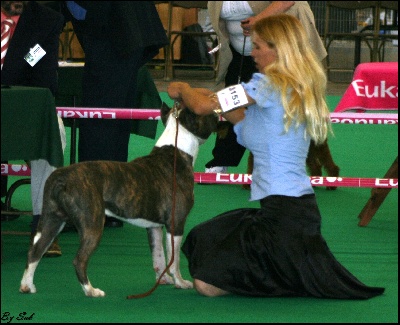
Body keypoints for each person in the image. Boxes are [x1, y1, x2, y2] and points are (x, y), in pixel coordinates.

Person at [167, 14, 385, 299]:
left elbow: (202, 106)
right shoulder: (285, 89)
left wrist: (181, 87)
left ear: (278, 49)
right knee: (206, 241)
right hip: (289, 212)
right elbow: (231, 112)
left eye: (258, 46)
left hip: (286, 216)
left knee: (206, 279)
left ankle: (287, 279)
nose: (252, 52)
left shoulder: (268, 86)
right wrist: (207, 96)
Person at [62, 1, 168, 227]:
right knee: (115, 119)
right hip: (124, 33)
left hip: (115, 33)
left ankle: (95, 207)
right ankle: (112, 205)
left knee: (99, 121)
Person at [204, 1, 328, 174]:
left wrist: (259, 19)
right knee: (239, 101)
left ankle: (305, 163)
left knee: (289, 117)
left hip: (281, 50)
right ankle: (224, 158)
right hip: (240, 52)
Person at [1, 1, 66, 257]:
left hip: (23, 104)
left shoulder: (46, 21)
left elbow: (45, 76)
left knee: (55, 134)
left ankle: (43, 224)